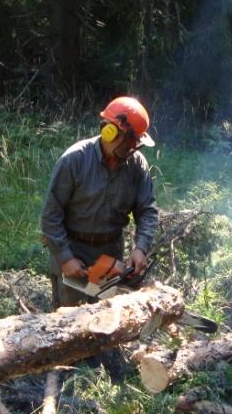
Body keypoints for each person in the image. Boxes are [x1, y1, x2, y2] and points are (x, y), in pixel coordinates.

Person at [42, 96, 158, 309]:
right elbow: (51, 216)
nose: (135, 146)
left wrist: (141, 247)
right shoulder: (74, 160)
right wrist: (65, 258)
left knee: (109, 322)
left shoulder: (136, 165)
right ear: (111, 132)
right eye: (132, 140)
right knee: (69, 325)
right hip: (73, 248)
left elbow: (147, 210)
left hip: (110, 250)